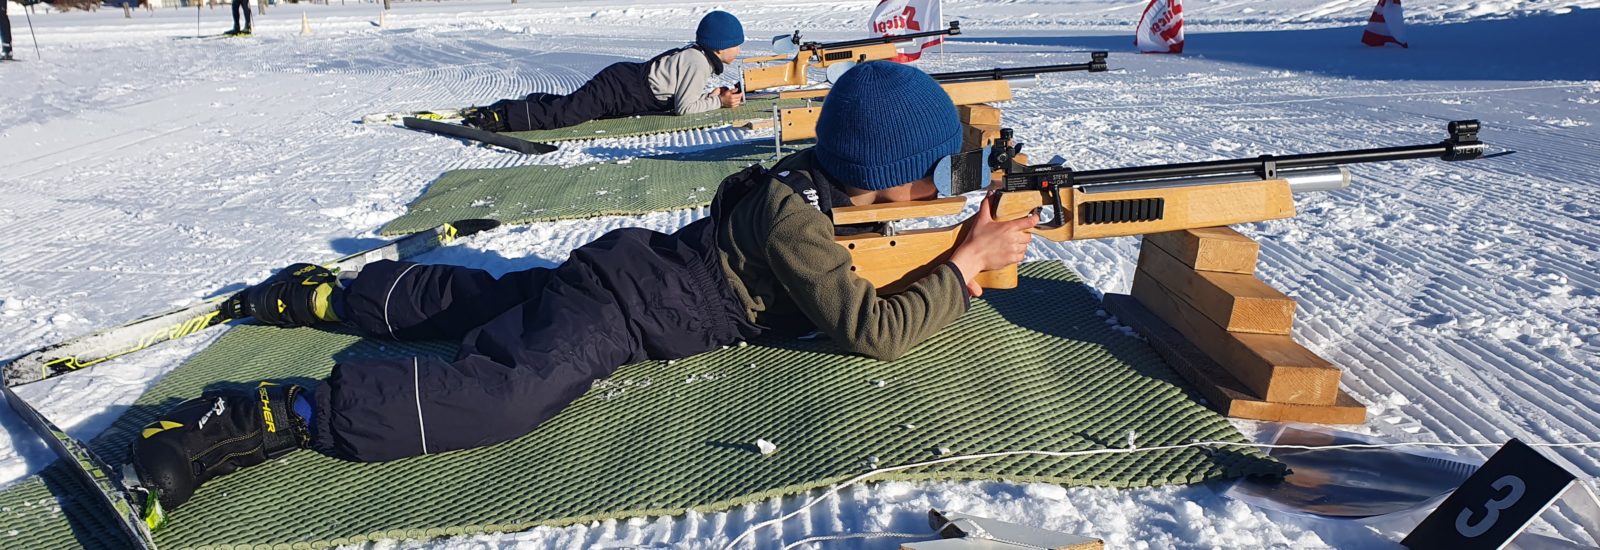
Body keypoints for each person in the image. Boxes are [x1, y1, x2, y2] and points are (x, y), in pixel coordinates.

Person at [128, 61, 1039, 511]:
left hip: (624, 274)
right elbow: (870, 329)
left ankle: (328, 296)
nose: (942, 188)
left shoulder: (808, 186)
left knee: (493, 298)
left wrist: (954, 229)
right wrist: (962, 264)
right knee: (501, 393)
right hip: (629, 314)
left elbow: (866, 241)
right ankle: (270, 416)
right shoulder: (799, 221)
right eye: (932, 175)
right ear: (879, 178)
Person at [460, 10, 748, 133]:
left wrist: (712, 95)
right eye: (736, 45)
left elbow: (682, 93)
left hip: (624, 84)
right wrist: (718, 102)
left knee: (570, 106)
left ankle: (530, 104)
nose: (739, 51)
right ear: (720, 46)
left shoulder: (697, 58)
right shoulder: (697, 61)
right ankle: (499, 117)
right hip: (619, 88)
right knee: (565, 115)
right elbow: (684, 109)